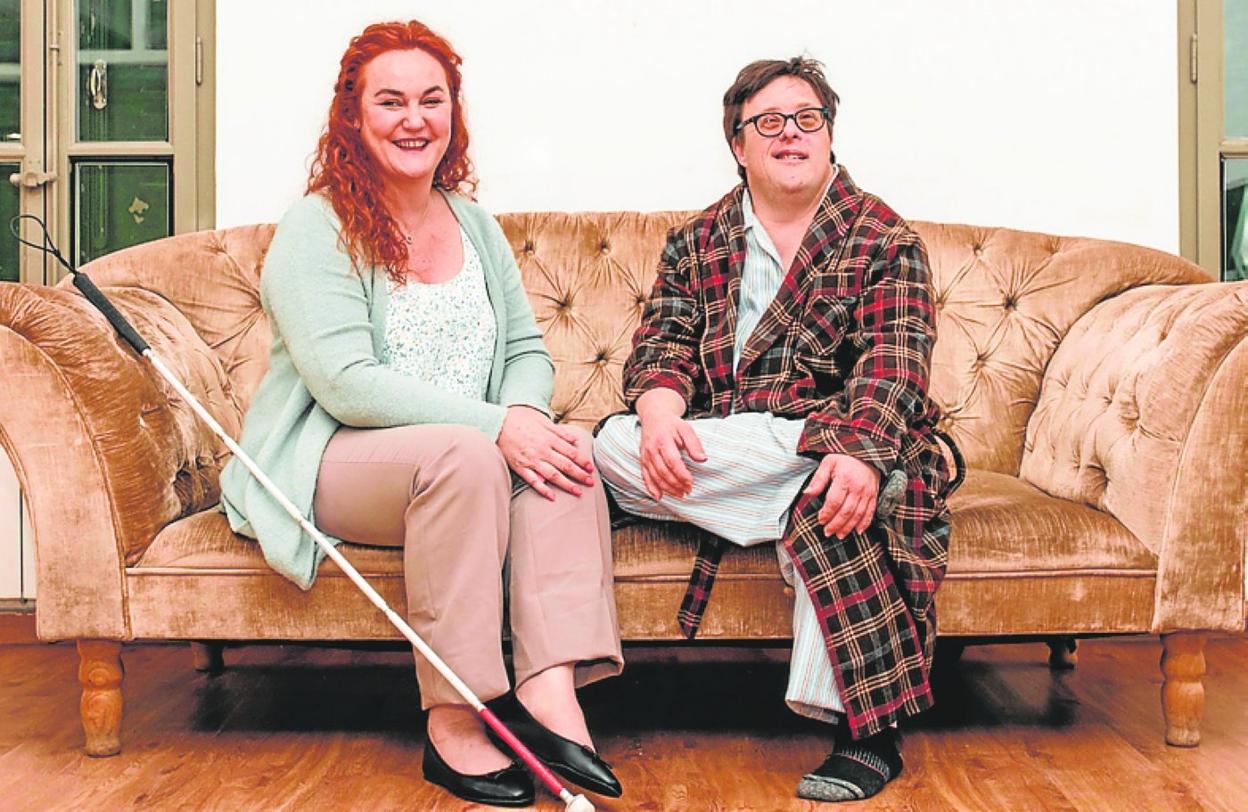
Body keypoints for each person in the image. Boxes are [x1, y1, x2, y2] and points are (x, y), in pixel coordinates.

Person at [219, 20, 623, 808]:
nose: (414, 119)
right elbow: (346, 383)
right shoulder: (317, 227)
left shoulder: (473, 223)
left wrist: (522, 417)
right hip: (335, 459)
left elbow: (526, 350)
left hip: (462, 461)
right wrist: (495, 428)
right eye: (391, 101)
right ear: (352, 116)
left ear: (452, 113)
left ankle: (550, 691)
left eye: (431, 100)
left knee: (566, 456)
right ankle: (455, 720)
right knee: (465, 456)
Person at [594, 56, 961, 803]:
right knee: (610, 445)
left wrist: (859, 455)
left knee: (835, 500)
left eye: (807, 119)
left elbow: (893, 366)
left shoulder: (883, 237)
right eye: (768, 122)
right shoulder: (697, 240)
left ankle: (864, 733)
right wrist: (659, 416)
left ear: (828, 135)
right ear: (738, 144)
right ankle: (799, 480)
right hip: (732, 445)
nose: (790, 134)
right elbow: (662, 346)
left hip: (854, 439)